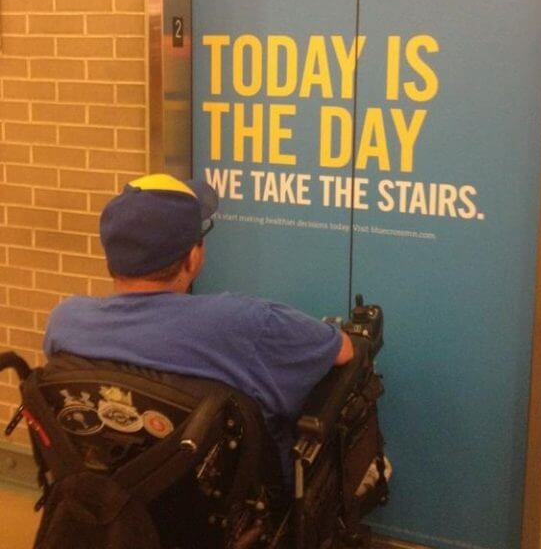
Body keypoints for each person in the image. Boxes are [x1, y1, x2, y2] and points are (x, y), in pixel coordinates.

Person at [43, 173, 354, 479]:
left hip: (108, 496)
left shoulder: (66, 321)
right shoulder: (241, 321)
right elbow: (342, 350)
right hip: (231, 506)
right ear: (192, 258)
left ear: (111, 258)